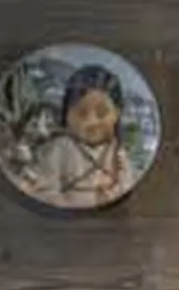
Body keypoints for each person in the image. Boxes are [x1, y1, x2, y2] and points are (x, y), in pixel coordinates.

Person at [27, 61, 141, 209]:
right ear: (67, 114)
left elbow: (128, 187)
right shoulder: (57, 149)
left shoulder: (119, 153)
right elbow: (42, 193)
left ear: (117, 114)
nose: (91, 122)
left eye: (102, 113)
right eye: (81, 113)